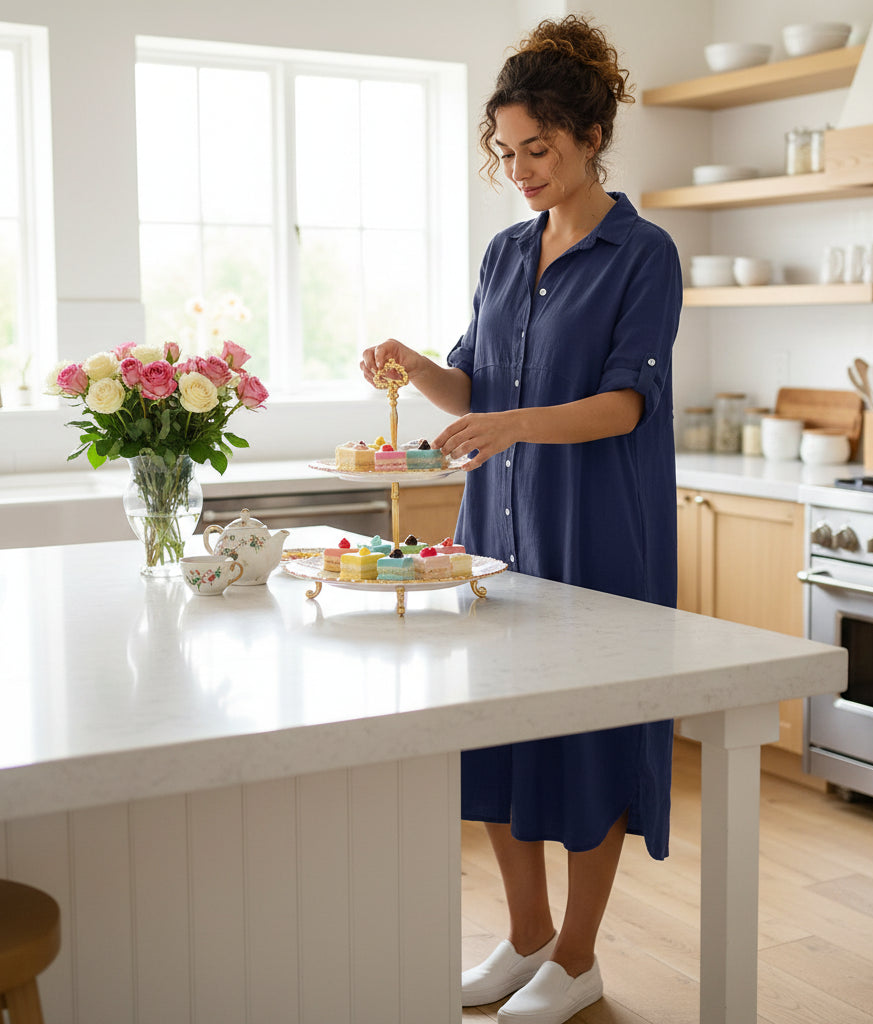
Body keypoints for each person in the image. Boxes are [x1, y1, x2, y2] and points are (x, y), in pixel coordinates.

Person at [360, 14, 682, 1023]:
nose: (520, 171)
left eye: (536, 149)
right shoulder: (505, 253)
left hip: (599, 532)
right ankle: (528, 938)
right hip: (495, 536)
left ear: (591, 136)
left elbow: (626, 403)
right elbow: (474, 386)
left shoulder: (644, 254)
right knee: (497, 734)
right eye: (505, 153)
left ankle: (578, 960)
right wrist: (415, 365)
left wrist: (512, 424)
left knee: (590, 739)